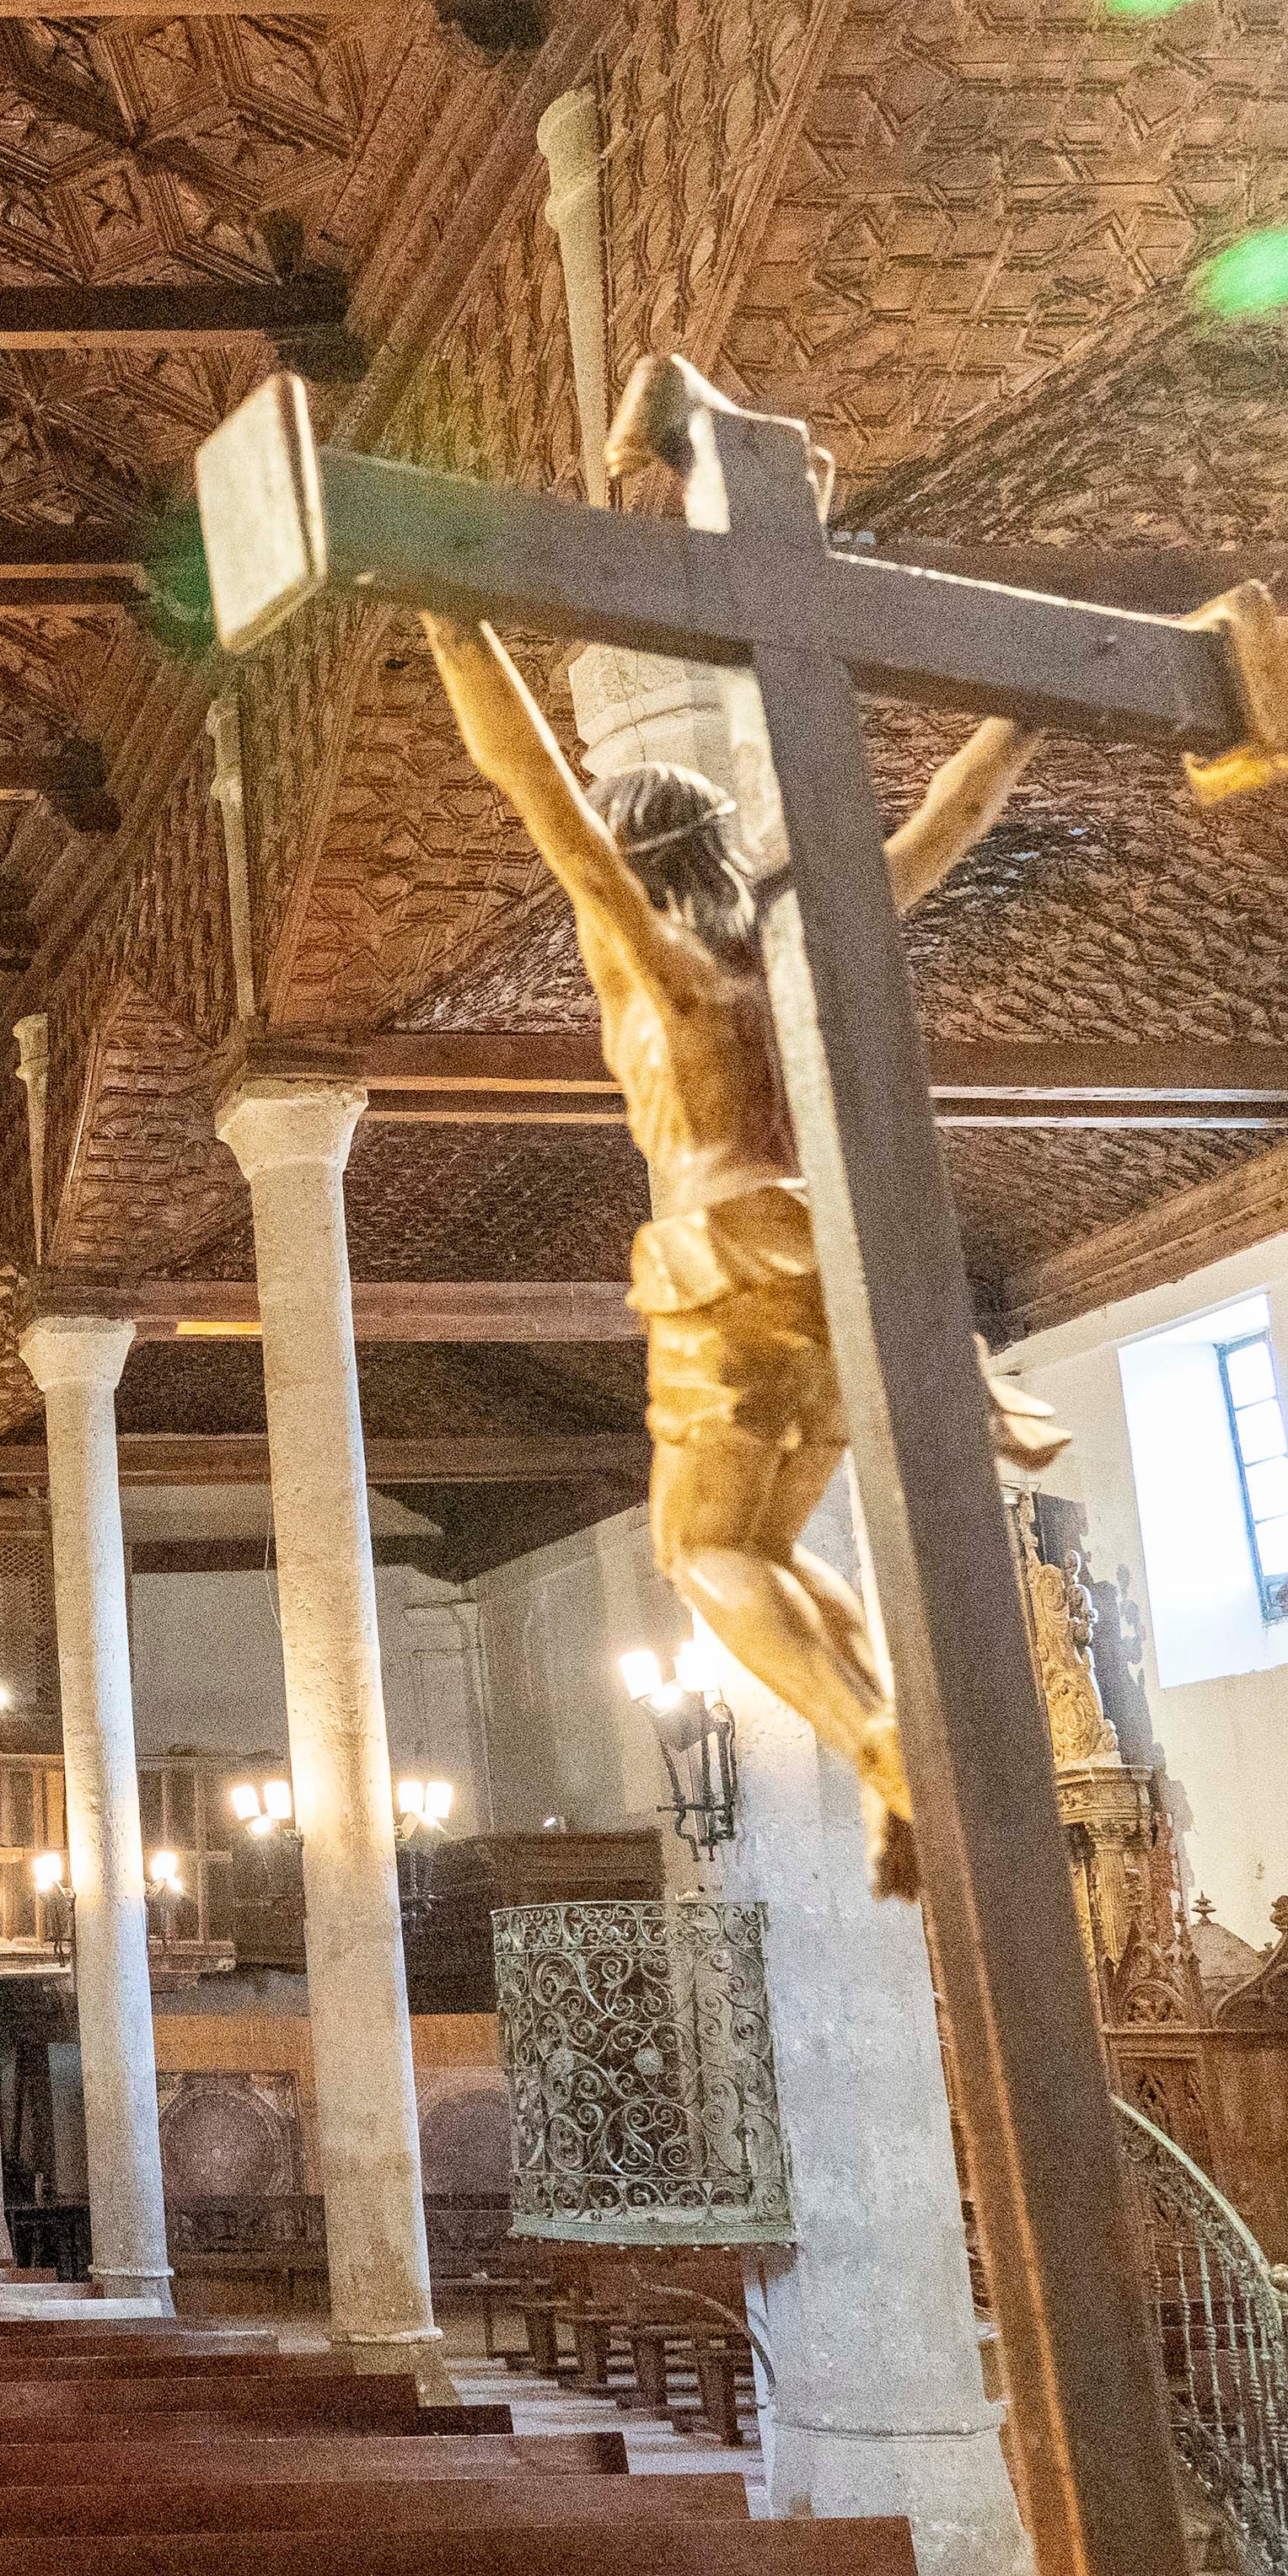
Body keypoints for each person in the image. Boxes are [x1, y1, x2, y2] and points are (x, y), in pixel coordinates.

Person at [427, 607, 1049, 1892]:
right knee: (767, 1544)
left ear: (634, 856)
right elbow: (953, 816)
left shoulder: (661, 967)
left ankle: (881, 1740)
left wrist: (451, 622)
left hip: (731, 1251)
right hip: (843, 1256)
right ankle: (897, 1736)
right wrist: (1035, 703)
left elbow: (532, 784)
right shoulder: (793, 955)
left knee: (702, 1553)